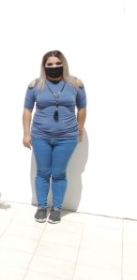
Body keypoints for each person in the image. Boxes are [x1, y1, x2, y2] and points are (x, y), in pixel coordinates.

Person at [23, 50, 86, 224]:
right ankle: (41, 207)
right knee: (42, 172)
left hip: (67, 138)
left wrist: (80, 130)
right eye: (49, 64)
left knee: (59, 173)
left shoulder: (76, 84)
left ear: (63, 64)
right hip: (40, 136)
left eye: (58, 63)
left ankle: (57, 209)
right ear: (44, 66)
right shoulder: (35, 85)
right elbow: (27, 110)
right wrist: (26, 134)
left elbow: (82, 108)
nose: (54, 66)